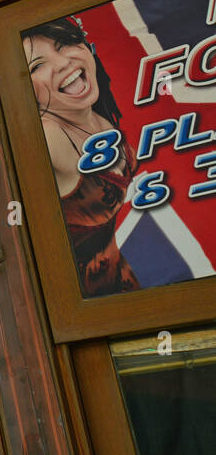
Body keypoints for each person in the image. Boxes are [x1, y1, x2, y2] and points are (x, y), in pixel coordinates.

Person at [22, 17, 139, 296]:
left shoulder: (92, 108)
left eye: (65, 45)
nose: (63, 63)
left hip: (120, 279)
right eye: (38, 65)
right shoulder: (49, 134)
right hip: (83, 306)